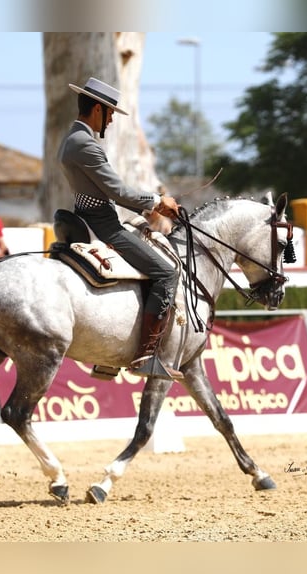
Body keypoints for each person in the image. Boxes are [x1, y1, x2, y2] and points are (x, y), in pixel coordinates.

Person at [58, 77, 183, 380]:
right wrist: (157, 201)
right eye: (111, 112)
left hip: (97, 217)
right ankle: (145, 356)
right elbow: (117, 190)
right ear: (98, 109)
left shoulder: (75, 139)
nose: (112, 119)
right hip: (104, 226)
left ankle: (113, 352)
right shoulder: (84, 144)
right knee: (167, 273)